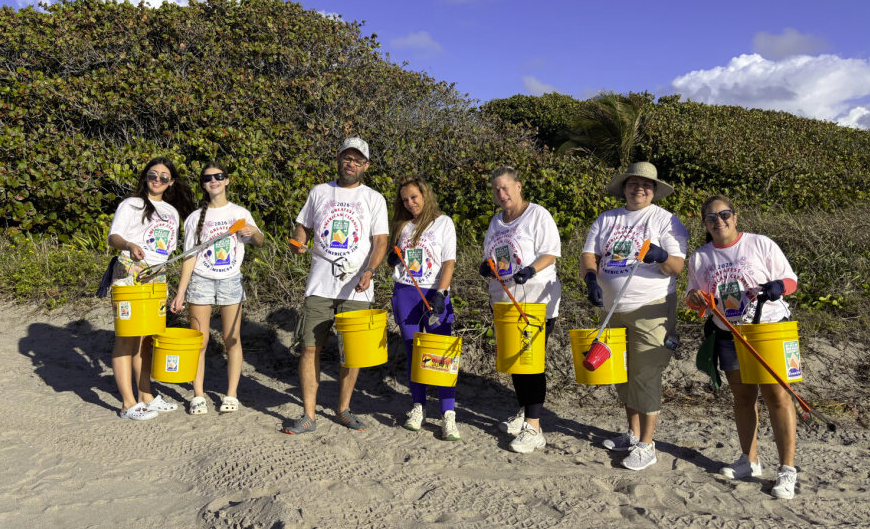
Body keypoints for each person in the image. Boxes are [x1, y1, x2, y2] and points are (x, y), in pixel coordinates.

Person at [686, 195, 799, 500]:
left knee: (778, 397)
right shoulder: (700, 257)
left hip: (770, 330)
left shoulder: (760, 243)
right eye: (711, 217)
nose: (718, 221)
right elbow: (693, 295)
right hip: (728, 334)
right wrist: (696, 297)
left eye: (724, 215)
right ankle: (749, 461)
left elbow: (790, 280)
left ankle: (787, 470)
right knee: (742, 397)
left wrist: (779, 288)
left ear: (735, 217)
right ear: (705, 224)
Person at [581, 161, 688, 470]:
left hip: (650, 307)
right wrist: (590, 278)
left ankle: (647, 444)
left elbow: (677, 267)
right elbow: (590, 255)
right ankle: (632, 432)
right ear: (624, 187)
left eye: (646, 185)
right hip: (613, 309)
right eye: (633, 183)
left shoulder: (667, 221)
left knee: (646, 374)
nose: (639, 188)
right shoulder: (606, 219)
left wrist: (662, 256)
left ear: (653, 191)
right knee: (621, 373)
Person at [282, 137, 388, 434]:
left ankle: (343, 409)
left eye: (357, 159)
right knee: (309, 348)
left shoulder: (374, 198)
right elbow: (302, 227)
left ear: (366, 165)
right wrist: (298, 242)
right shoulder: (319, 192)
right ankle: (308, 415)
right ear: (338, 159)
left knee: (352, 353)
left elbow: (380, 241)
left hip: (358, 286)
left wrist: (369, 270)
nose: (350, 163)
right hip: (320, 285)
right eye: (346, 157)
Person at [169, 162, 264, 415]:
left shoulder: (239, 212)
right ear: (203, 184)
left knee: (232, 339)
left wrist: (253, 231)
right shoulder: (194, 218)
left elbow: (259, 241)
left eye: (219, 176)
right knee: (199, 341)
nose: (214, 181)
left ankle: (231, 394)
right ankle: (198, 394)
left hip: (231, 280)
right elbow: (189, 258)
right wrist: (180, 293)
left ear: (227, 181)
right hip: (200, 280)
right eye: (208, 178)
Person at [106, 157, 195, 420]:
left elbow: (167, 249)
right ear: (146, 177)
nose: (157, 180)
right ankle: (127, 403)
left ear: (171, 182)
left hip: (157, 275)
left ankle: (145, 395)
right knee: (126, 338)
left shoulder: (172, 212)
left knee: (145, 339)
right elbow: (114, 237)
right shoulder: (131, 204)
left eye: (164, 177)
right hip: (130, 272)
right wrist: (129, 246)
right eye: (153, 175)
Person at [480, 166, 561, 454]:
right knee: (516, 361)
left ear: (519, 186)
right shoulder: (496, 222)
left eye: (506, 187)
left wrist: (530, 270)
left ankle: (535, 427)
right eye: (497, 190)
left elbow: (550, 253)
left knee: (530, 362)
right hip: (504, 301)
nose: (502, 194)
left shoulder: (537, 215)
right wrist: (486, 268)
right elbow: (492, 257)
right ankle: (525, 413)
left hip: (535, 301)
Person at [387, 175, 459, 440]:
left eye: (414, 197)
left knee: (441, 355)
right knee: (413, 353)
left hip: (433, 292)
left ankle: (448, 415)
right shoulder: (402, 224)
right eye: (405, 200)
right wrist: (392, 259)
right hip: (405, 292)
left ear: (425, 195)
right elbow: (394, 259)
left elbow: (448, 262)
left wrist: (441, 293)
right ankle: (418, 407)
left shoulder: (443, 222)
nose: (410, 203)